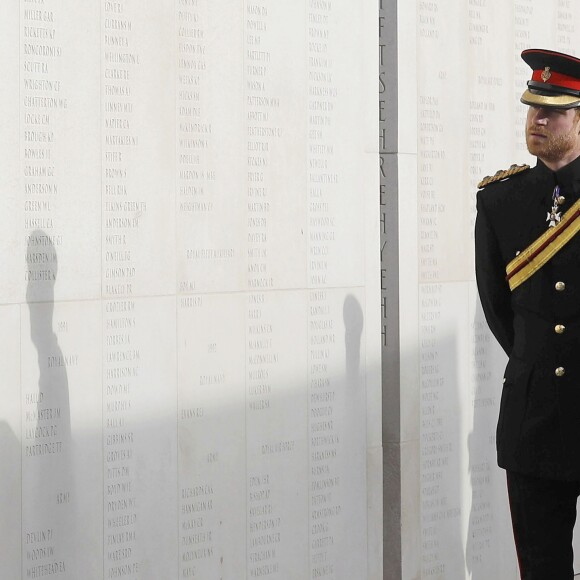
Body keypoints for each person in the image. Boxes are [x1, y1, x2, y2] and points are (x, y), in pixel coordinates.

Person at [475, 48, 580, 579]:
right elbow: (499, 307)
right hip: (535, 417)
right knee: (542, 568)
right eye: (532, 108)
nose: (537, 120)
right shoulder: (501, 200)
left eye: (553, 110)